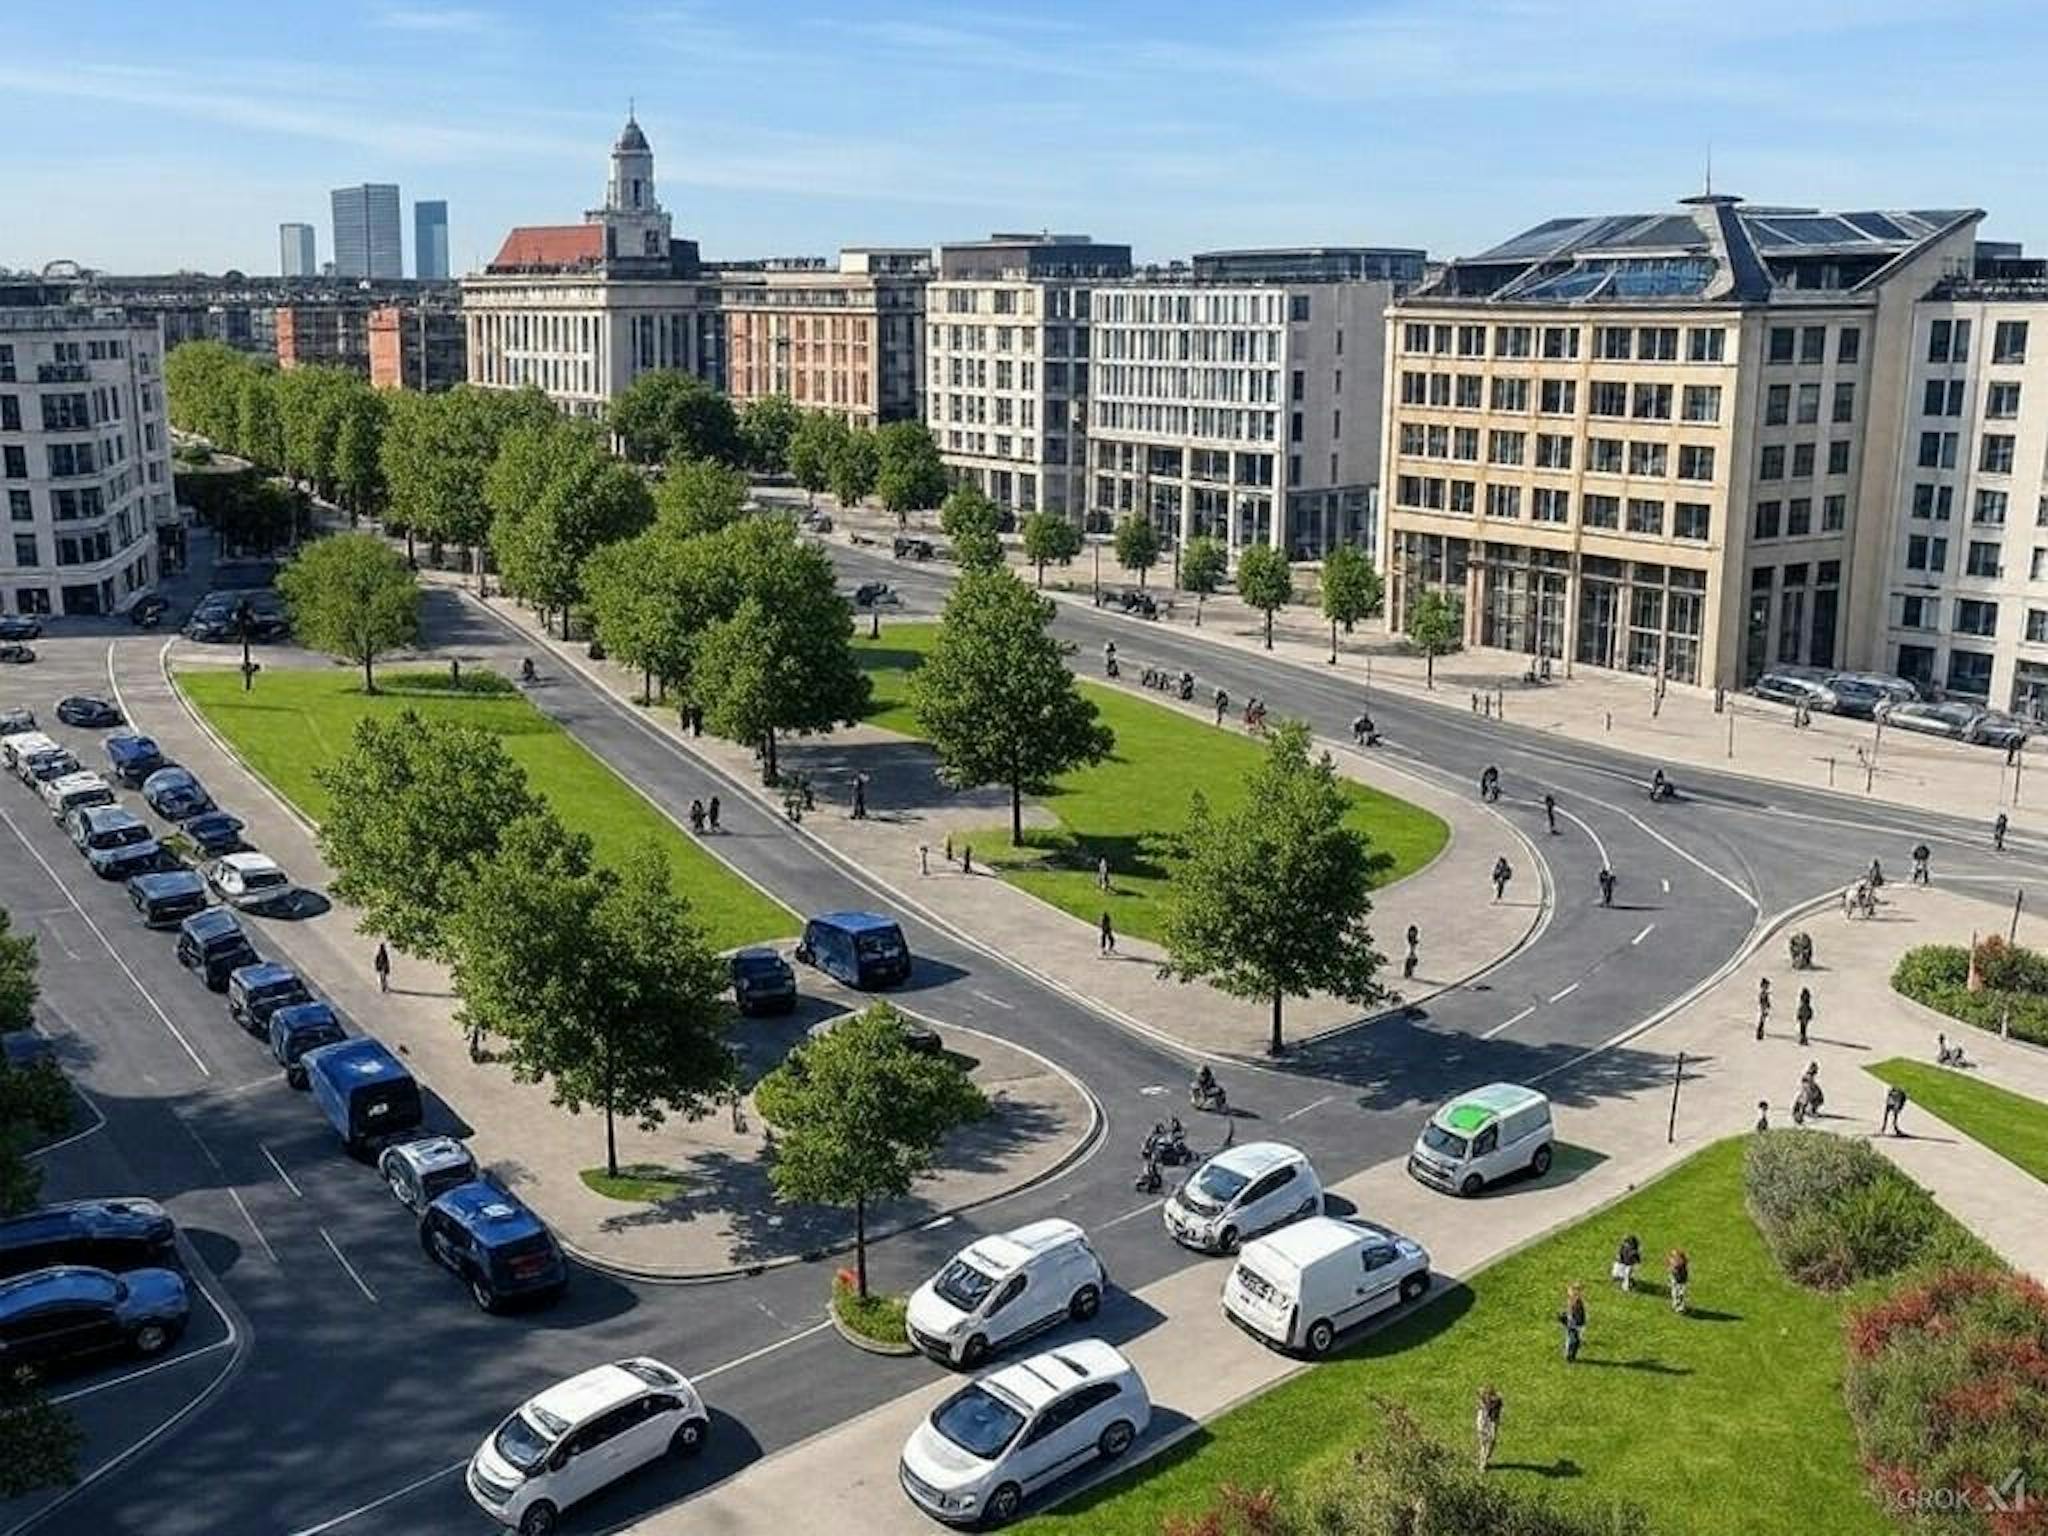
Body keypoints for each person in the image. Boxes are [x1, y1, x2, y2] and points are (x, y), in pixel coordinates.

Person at [1475, 1386, 1503, 1472]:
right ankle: (1482, 1463)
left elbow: (1496, 1414)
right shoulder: (1482, 1401)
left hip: (1493, 1419)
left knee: (1492, 1440)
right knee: (1483, 1442)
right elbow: (1482, 1412)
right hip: (1483, 1418)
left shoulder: (1498, 1401)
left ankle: (1485, 1459)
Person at [1559, 1283, 1587, 1362]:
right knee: (1572, 1339)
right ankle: (1569, 1355)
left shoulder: (1577, 1302)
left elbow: (1578, 1315)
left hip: (1576, 1324)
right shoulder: (1573, 1301)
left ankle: (1570, 1355)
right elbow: (1571, 1313)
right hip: (1573, 1324)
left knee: (1574, 1340)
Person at [1668, 1249, 1690, 1314]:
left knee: (1681, 1294)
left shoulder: (1683, 1267)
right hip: (1676, 1282)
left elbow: (1685, 1274)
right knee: (1675, 1293)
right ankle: (1676, 1304)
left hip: (1682, 1282)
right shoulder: (1674, 1266)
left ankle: (1681, 1307)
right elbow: (1672, 1272)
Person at [1755, 977, 1772, 1041]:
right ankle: (1759, 1033)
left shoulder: (1764, 993)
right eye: (1767, 986)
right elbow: (1763, 1001)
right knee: (1762, 1020)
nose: (1768, 987)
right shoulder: (1763, 993)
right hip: (1763, 1008)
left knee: (1763, 1020)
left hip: (1764, 1007)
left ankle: (1760, 1032)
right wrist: (1765, 1007)